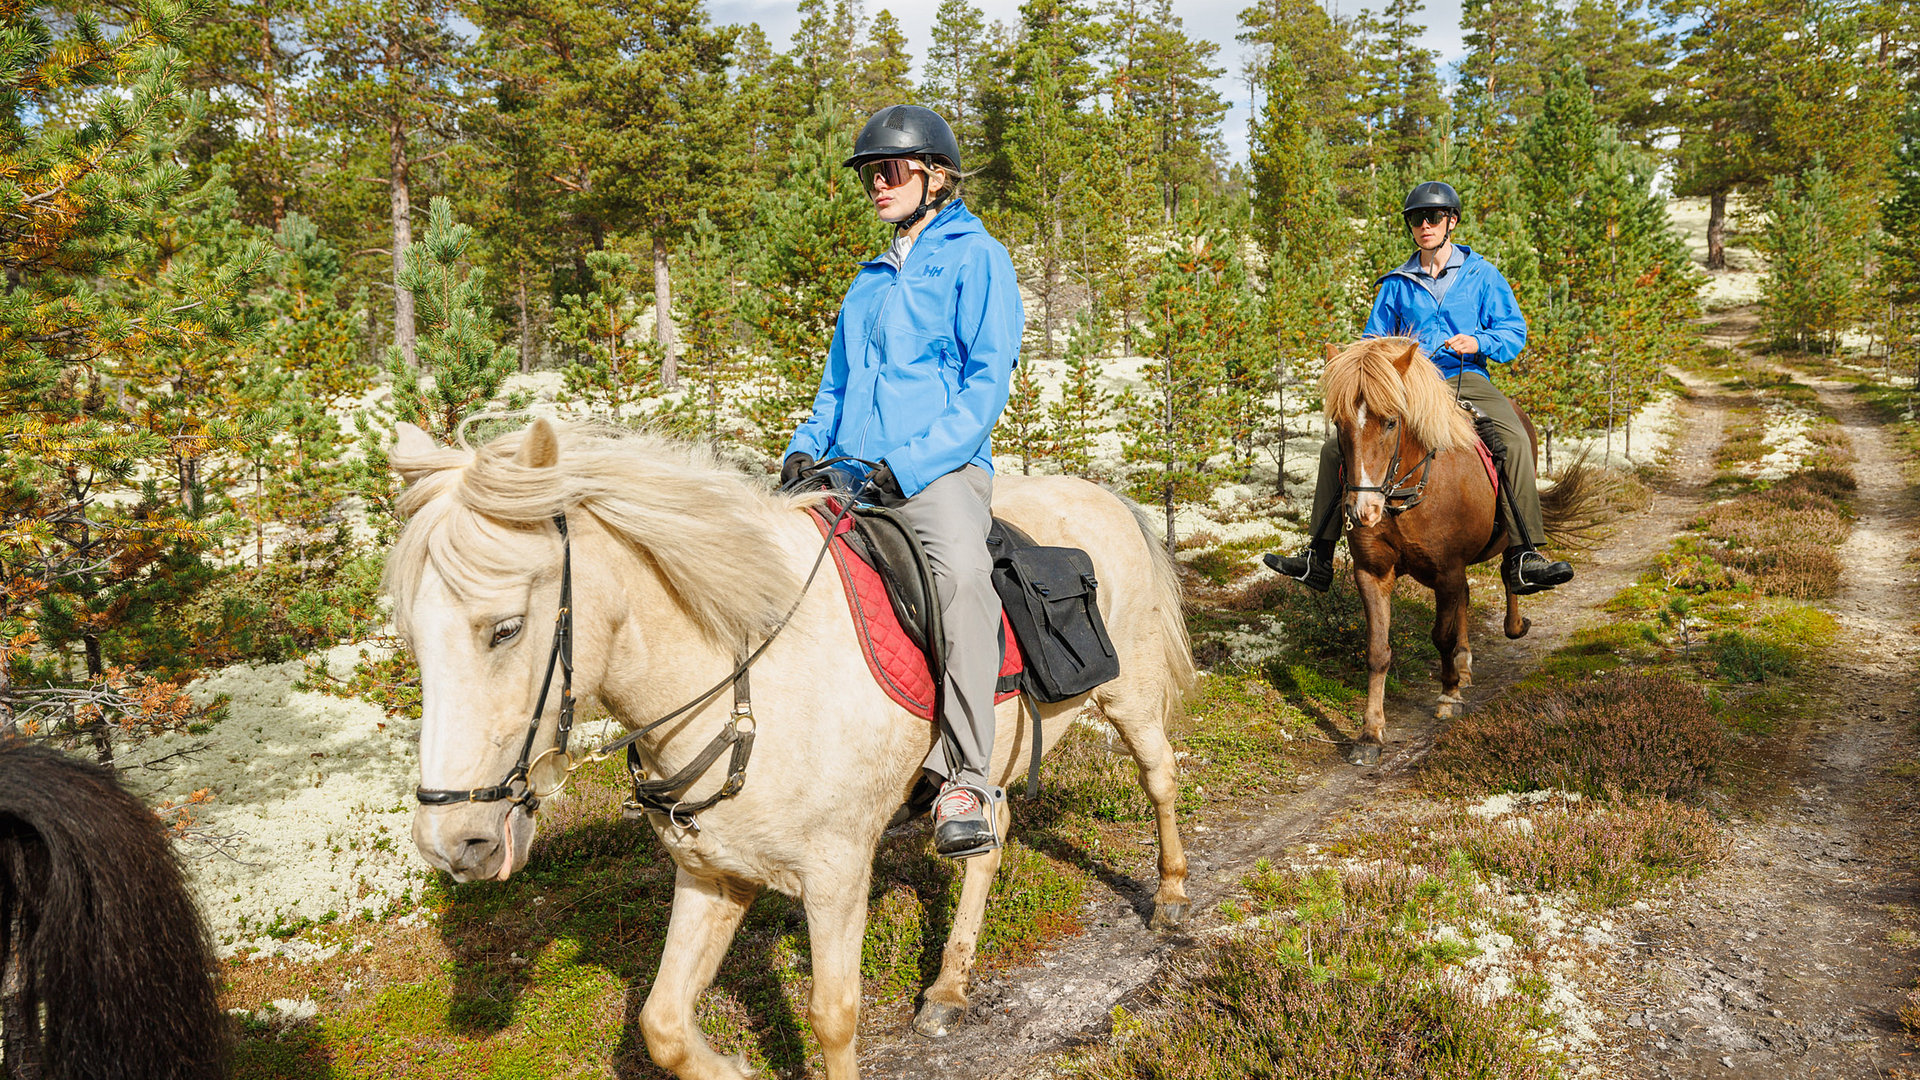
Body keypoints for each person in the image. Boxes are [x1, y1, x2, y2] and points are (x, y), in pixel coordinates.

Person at [778, 104, 1024, 860]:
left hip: (935, 473)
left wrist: (910, 464)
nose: (876, 183)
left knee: (959, 582)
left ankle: (967, 777)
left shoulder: (978, 257)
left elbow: (985, 387)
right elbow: (835, 387)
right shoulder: (870, 277)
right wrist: (801, 450)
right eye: (869, 174)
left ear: (935, 175)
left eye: (889, 170)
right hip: (847, 470)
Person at [1266, 180, 1574, 596]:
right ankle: (1317, 555)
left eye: (1432, 217)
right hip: (1406, 385)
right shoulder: (1396, 283)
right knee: (1334, 448)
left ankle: (1523, 555)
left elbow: (1513, 331)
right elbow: (1372, 340)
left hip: (1464, 378)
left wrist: (1479, 341)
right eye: (1416, 219)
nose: (1424, 225)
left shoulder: (1483, 275)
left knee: (1515, 439)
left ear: (1452, 222)